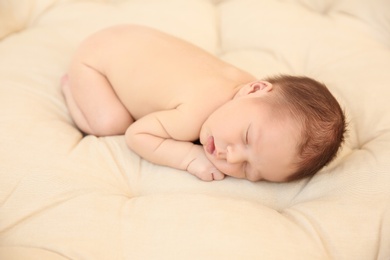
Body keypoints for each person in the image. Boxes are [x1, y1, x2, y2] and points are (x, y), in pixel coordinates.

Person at [61, 24, 346, 182]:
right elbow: (138, 135)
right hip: (94, 62)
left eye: (249, 170)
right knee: (112, 123)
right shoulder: (192, 115)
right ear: (255, 88)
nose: (231, 158)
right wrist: (188, 158)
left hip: (128, 34)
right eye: (246, 137)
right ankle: (71, 89)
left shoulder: (244, 88)